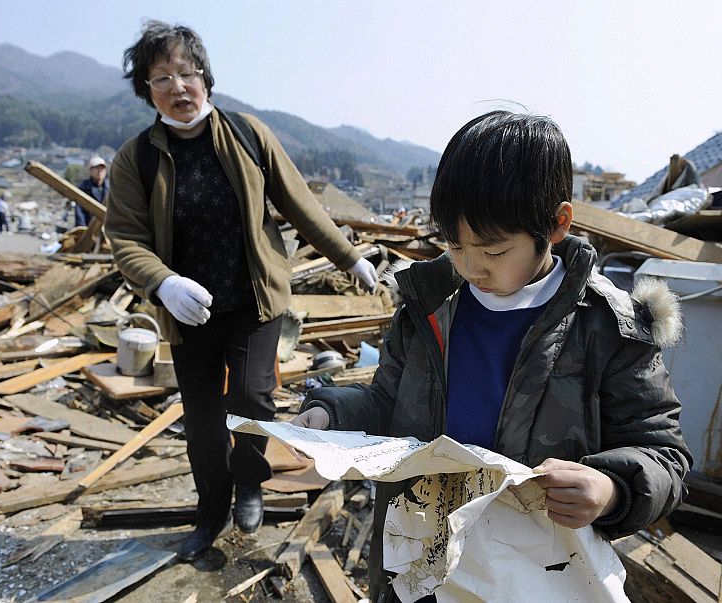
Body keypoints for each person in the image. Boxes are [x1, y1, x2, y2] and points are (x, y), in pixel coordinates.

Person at [293, 110, 692, 602]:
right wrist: (329, 414)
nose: (469, 265)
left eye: (493, 250)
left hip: (535, 574)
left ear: (556, 225)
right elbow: (387, 403)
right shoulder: (429, 306)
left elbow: (663, 453)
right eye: (454, 244)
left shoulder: (609, 327)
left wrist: (611, 490)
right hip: (422, 560)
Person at [104, 20, 378, 563]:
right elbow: (125, 239)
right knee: (203, 419)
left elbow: (300, 203)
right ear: (147, 91)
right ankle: (211, 509)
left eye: (187, 73)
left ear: (205, 77)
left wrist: (349, 258)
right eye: (162, 78)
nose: (178, 87)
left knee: (251, 399)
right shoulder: (136, 159)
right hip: (189, 312)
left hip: (254, 301)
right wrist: (163, 282)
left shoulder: (248, 135)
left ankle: (250, 482)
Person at [76, 156, 108, 227]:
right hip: (89, 225)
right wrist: (82, 229)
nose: (100, 171)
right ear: (90, 170)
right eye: (97, 168)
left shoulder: (111, 188)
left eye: (102, 168)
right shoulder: (84, 188)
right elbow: (80, 211)